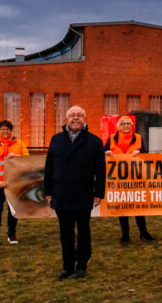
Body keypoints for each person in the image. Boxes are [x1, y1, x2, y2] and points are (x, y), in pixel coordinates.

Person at [44, 106, 106, 280]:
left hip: (83, 193)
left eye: (80, 115)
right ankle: (68, 266)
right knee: (66, 233)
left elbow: (100, 171)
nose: (76, 118)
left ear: (85, 119)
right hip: (61, 194)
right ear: (66, 119)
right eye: (72, 115)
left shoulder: (94, 141)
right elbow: (49, 168)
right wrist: (48, 191)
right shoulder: (56, 140)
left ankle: (81, 265)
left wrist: (98, 192)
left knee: (84, 232)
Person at [104, 115, 155, 243]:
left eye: (128, 123)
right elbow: (102, 152)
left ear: (132, 125)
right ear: (118, 126)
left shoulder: (138, 137)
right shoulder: (111, 138)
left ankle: (143, 233)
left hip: (136, 178)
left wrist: (140, 153)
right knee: (123, 206)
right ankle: (125, 234)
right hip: (119, 178)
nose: (126, 126)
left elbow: (146, 154)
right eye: (123, 123)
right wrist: (106, 153)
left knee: (139, 206)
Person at [0, 120, 29, 247]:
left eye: (7, 129)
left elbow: (27, 160)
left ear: (11, 131)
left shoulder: (19, 144)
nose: (5, 131)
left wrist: (16, 155)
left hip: (14, 184)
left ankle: (12, 234)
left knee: (12, 211)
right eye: (2, 129)